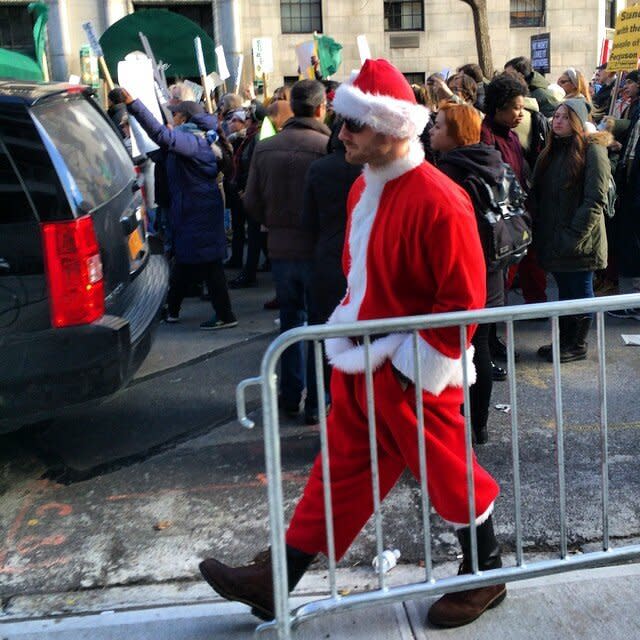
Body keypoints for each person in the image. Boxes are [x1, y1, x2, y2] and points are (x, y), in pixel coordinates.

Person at [199, 59, 505, 630]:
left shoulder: (440, 199)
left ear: (389, 130)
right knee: (337, 474)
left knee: (447, 471)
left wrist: (416, 365)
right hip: (364, 361)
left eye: (352, 127)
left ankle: (485, 570)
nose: (340, 135)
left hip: (411, 369)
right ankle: (277, 581)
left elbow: (463, 298)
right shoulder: (366, 187)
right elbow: (358, 273)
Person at [242, 79, 330, 422]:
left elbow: (251, 200)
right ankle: (316, 402)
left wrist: (272, 222)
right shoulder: (328, 146)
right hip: (316, 248)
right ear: (322, 108)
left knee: (291, 324)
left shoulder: (266, 147)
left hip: (280, 247)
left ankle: (291, 394)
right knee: (319, 326)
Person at [122, 93, 237, 330]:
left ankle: (225, 315)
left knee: (207, 264)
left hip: (197, 212)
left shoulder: (192, 141)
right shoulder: (194, 139)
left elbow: (161, 136)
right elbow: (161, 150)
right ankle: (172, 310)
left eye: (174, 113)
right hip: (194, 210)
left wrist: (135, 105)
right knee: (187, 262)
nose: (171, 117)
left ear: (184, 117)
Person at [430, 102, 507, 444]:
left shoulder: (449, 171)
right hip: (492, 271)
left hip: (463, 273)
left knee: (459, 352)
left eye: (438, 126)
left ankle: (459, 424)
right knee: (482, 349)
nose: (431, 131)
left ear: (456, 133)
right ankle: (480, 426)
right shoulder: (493, 159)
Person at [530, 99, 610, 361]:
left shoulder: (592, 149)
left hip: (580, 242)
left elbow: (595, 199)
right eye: (556, 116)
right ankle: (565, 341)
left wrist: (572, 237)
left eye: (565, 116)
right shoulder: (551, 151)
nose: (557, 120)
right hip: (557, 240)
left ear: (577, 121)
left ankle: (577, 344)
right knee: (565, 293)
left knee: (580, 291)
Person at [301, 120, 362, 423]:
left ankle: (316, 402)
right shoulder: (371, 169)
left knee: (322, 336)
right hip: (361, 260)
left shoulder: (320, 169)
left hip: (327, 259)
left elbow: (308, 220)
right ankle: (355, 410)